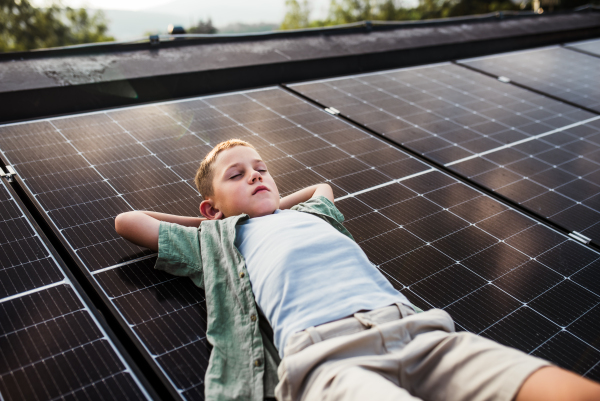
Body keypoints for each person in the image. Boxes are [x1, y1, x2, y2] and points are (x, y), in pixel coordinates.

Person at [115, 139, 600, 401]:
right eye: (237, 175)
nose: (256, 176)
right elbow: (128, 221)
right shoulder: (217, 240)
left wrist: (273, 204)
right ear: (210, 208)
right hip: (328, 359)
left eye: (261, 168)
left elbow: (321, 187)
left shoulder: (309, 215)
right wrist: (220, 222)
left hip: (415, 330)